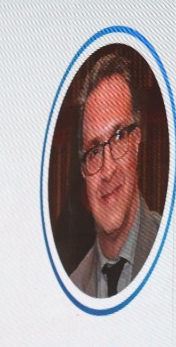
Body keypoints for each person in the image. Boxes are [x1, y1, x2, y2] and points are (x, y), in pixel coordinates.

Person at [68, 51, 162, 298]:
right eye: (94, 151)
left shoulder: (173, 248)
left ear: (137, 141)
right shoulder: (72, 288)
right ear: (83, 172)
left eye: (119, 136)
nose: (108, 170)